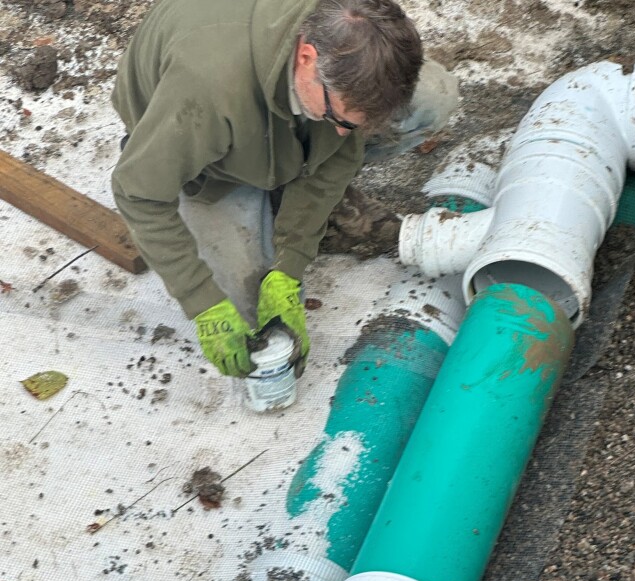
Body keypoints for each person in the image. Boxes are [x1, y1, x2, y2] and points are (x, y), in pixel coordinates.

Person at [111, 0, 458, 378]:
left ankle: (289, 184)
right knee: (249, 320)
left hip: (276, 110)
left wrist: (289, 263)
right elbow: (137, 193)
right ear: (307, 58)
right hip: (203, 153)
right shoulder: (206, 91)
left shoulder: (342, 38)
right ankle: (260, 187)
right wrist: (202, 302)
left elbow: (338, 154)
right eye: (339, 119)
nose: (342, 132)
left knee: (432, 97)